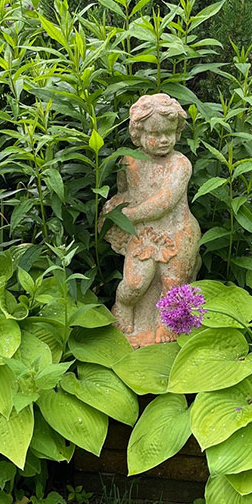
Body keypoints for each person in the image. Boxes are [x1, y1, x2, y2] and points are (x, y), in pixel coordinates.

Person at [102, 93, 201, 346]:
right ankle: (123, 308)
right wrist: (115, 207)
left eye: (169, 132)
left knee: (173, 284)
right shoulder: (129, 160)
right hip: (144, 235)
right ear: (138, 134)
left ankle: (166, 323)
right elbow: (126, 191)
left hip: (177, 233)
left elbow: (165, 201)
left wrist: (130, 215)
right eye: (155, 134)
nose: (164, 140)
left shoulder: (180, 164)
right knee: (134, 285)